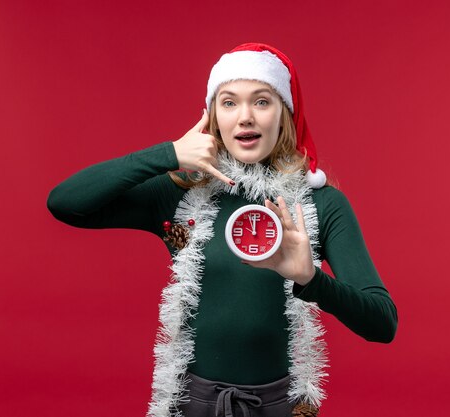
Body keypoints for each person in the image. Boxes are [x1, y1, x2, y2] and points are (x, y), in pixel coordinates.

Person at [47, 43, 397, 417]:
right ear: (212, 117)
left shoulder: (319, 204)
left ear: (285, 114)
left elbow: (382, 323)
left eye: (262, 101)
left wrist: (311, 278)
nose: (245, 117)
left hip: (280, 406)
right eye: (229, 103)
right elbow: (67, 203)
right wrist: (168, 154)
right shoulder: (182, 195)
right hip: (191, 404)